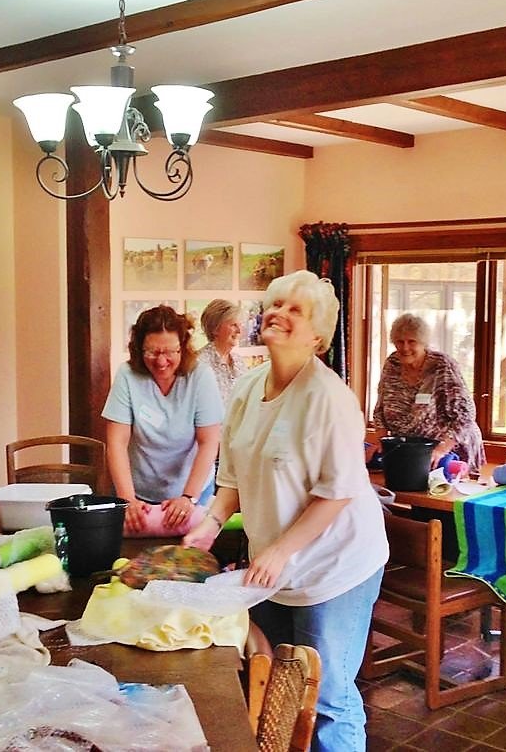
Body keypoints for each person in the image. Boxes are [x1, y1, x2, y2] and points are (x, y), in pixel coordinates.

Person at [185, 270, 388, 751]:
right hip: (273, 568)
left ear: (317, 336)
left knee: (329, 696)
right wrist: (210, 524)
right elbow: (231, 477)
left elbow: (336, 493)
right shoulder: (245, 388)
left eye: (295, 309)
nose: (278, 313)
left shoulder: (330, 398)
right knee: (279, 684)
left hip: (336, 568)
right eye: (275, 304)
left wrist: (279, 551)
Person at [102, 305, 224, 534]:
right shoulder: (128, 376)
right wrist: (128, 500)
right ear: (138, 349)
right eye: (152, 352)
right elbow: (117, 442)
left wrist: (189, 497)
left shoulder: (200, 377)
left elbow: (208, 442)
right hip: (137, 492)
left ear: (183, 347)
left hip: (191, 489)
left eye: (170, 352)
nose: (161, 361)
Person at [373, 312, 485, 472]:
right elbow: (380, 411)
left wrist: (441, 449)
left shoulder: (442, 366)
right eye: (399, 342)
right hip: (406, 449)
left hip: (448, 449)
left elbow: (465, 416)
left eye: (412, 342)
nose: (405, 348)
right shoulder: (392, 363)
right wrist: (382, 442)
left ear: (423, 343)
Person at [197, 299, 246, 407]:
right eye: (233, 325)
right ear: (215, 329)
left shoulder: (239, 361)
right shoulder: (199, 363)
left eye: (240, 325)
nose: (239, 331)